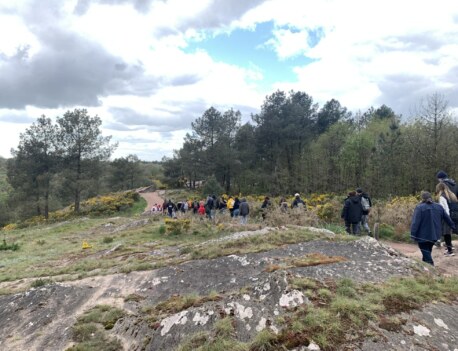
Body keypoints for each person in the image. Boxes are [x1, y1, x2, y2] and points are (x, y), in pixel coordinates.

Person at [411, 191, 455, 265]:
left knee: (426, 253)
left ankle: (431, 267)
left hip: (422, 235)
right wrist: (453, 227)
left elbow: (415, 222)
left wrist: (413, 234)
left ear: (422, 198)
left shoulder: (419, 208)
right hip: (435, 234)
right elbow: (447, 218)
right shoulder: (439, 207)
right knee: (428, 251)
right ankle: (425, 267)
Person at [436, 182, 456, 256]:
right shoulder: (451, 195)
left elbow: (444, 209)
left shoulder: (442, 197)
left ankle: (450, 251)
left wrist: (444, 217)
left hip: (447, 216)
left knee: (446, 234)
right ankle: (449, 247)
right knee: (449, 233)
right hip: (454, 216)